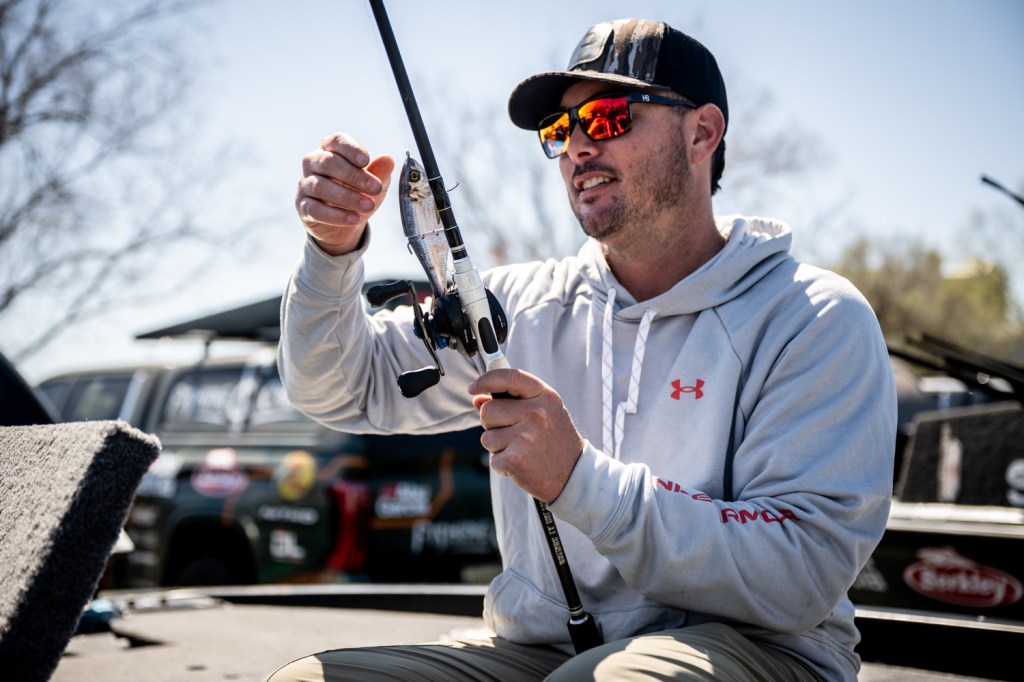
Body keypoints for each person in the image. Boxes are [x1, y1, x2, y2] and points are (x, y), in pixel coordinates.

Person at [269, 18, 896, 682]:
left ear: (702, 133)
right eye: (559, 130)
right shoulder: (519, 305)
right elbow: (339, 387)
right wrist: (331, 252)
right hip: (540, 651)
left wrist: (579, 480)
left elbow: (797, 578)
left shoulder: (814, 316)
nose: (576, 147)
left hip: (762, 650)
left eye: (606, 117)